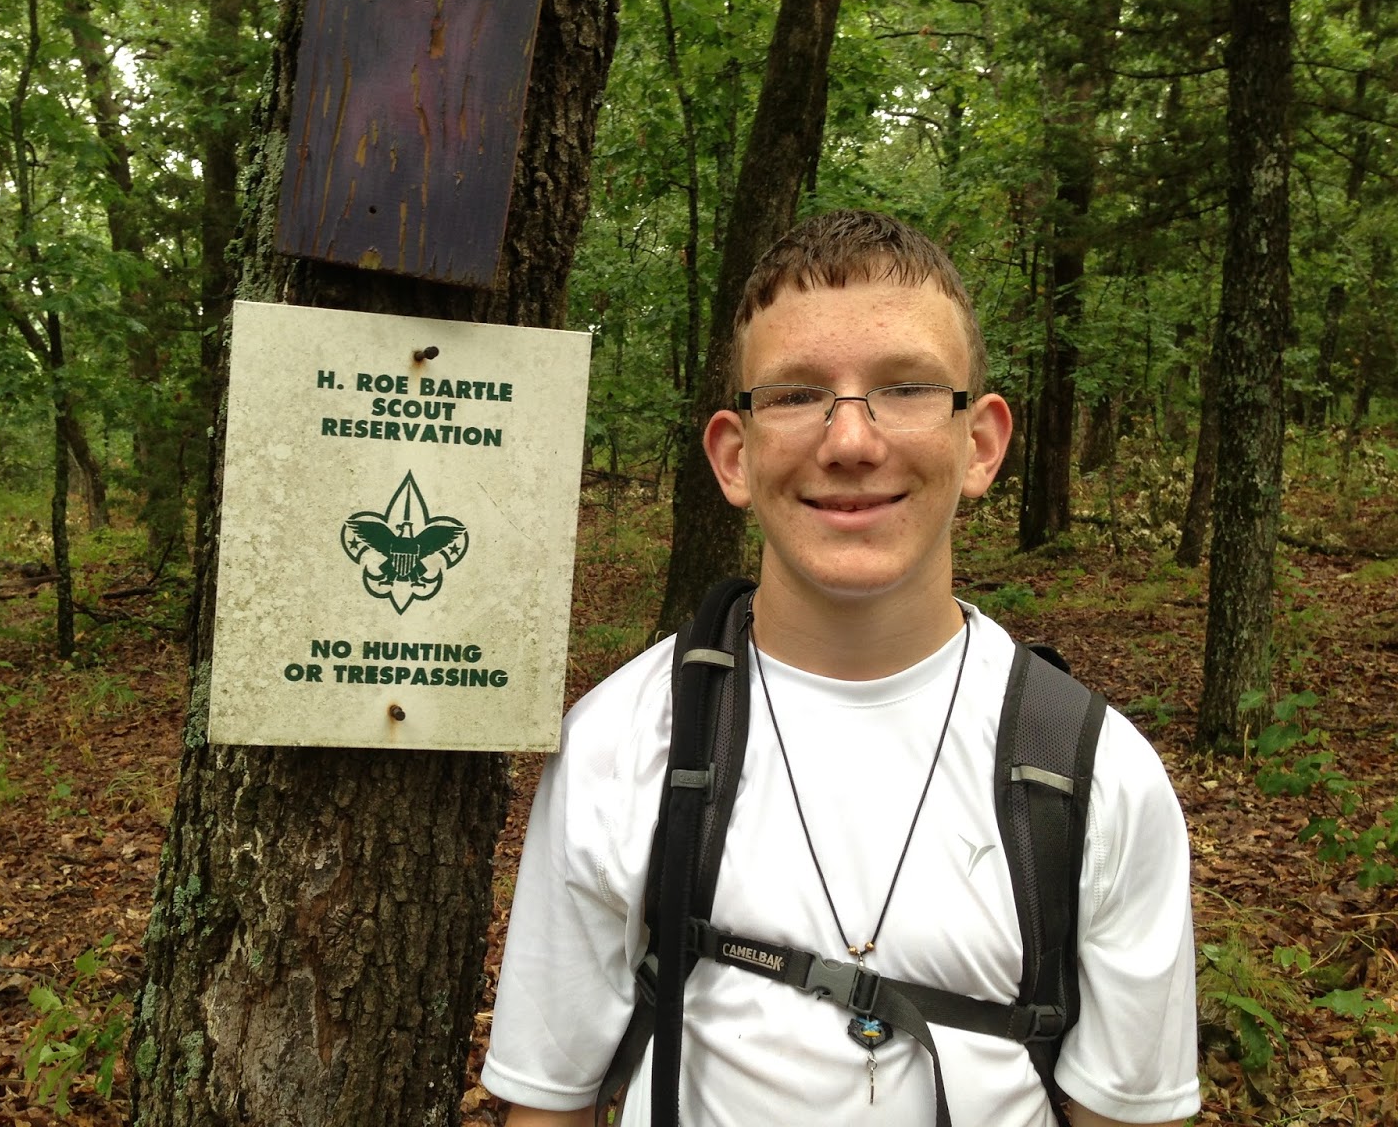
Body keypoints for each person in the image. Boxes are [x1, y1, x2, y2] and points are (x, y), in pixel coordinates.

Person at [481, 210, 1199, 1126]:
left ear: (979, 443)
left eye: (904, 388)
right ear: (734, 456)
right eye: (793, 394)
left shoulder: (1093, 772)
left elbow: (1127, 1113)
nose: (852, 442)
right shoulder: (625, 743)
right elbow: (549, 1105)